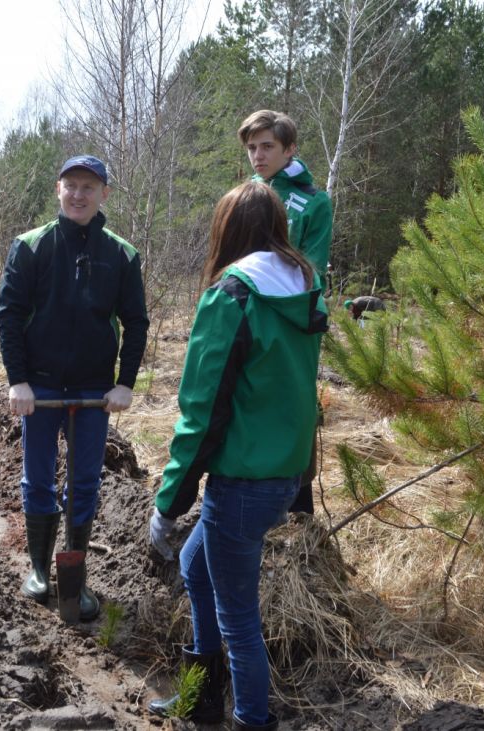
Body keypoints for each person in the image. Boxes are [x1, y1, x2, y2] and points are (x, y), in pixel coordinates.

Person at [147, 182, 327, 730]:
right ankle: (201, 696)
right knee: (193, 567)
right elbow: (298, 393)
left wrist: (168, 502)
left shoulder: (234, 295)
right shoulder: (304, 290)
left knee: (239, 621)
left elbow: (201, 411)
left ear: (227, 230)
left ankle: (251, 720)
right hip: (283, 473)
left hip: (243, 481)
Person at [0, 154, 149, 622]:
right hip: (39, 388)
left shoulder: (121, 254)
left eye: (89, 187)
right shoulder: (30, 246)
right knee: (37, 479)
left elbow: (136, 322)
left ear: (104, 194)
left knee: (84, 483)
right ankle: (41, 570)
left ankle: (75, 578)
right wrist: (18, 380)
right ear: (58, 189)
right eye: (71, 185)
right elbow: (9, 316)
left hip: (92, 391)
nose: (79, 194)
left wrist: (124, 384)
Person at [238, 109, 333, 515]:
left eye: (267, 146)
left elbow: (310, 270)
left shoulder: (313, 201)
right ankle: (240, 497)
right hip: (241, 315)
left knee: (293, 406)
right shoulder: (245, 195)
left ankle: (298, 511)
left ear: (290, 148)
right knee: (243, 402)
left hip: (290, 320)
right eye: (251, 148)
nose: (257, 156)